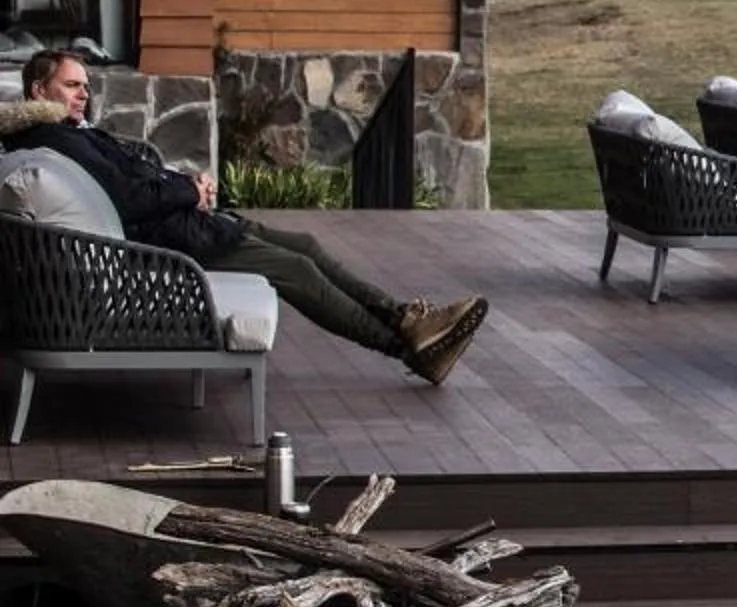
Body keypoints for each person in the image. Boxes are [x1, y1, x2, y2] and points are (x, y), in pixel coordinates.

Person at [5, 49, 486, 384]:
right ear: (38, 88)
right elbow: (130, 200)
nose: (82, 94)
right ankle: (407, 348)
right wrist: (188, 189)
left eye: (85, 86)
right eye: (71, 85)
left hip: (184, 226)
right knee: (297, 269)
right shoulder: (55, 139)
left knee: (308, 247)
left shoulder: (62, 132)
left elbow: (130, 180)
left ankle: (407, 320)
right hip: (174, 246)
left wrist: (180, 186)